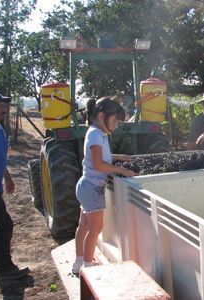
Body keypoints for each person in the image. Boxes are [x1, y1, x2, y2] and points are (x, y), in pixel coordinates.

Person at [72, 97, 135, 274]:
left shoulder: (98, 133)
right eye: (115, 121)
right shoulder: (94, 134)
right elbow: (99, 164)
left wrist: (119, 157)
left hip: (86, 186)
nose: (116, 125)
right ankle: (87, 265)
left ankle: (78, 262)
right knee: (95, 228)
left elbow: (101, 157)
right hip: (92, 189)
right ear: (101, 116)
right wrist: (120, 170)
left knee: (83, 226)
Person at [0, 91, 30, 280]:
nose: (3, 109)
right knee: (5, 225)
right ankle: (5, 269)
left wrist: (8, 177)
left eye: (4, 105)